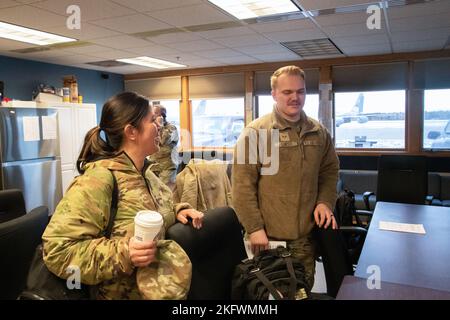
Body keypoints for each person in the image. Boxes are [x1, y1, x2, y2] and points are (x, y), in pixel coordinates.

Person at [42, 92, 203, 300]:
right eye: (152, 120)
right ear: (132, 131)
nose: (159, 126)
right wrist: (125, 252)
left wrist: (178, 210)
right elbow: (58, 250)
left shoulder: (146, 173)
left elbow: (146, 210)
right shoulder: (100, 179)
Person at [232, 65, 339, 291]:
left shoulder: (318, 132)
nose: (295, 97)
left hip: (306, 238)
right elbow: (242, 187)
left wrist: (325, 202)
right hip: (268, 238)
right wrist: (254, 228)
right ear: (274, 94)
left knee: (302, 291)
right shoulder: (254, 133)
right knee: (271, 296)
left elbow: (330, 171)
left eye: (300, 91)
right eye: (287, 92)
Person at [148, 105, 179, 188]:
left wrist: (160, 125)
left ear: (163, 116)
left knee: (166, 193)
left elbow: (163, 140)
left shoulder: (171, 128)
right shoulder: (152, 127)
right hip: (154, 166)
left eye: (155, 114)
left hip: (167, 167)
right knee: (154, 194)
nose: (152, 117)